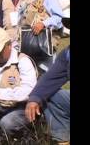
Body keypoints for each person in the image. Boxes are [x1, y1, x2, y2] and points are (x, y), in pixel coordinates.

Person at [25, 15, 70, 145]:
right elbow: (51, 78)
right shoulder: (67, 53)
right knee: (47, 93)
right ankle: (63, 139)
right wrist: (34, 98)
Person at [19, 0, 64, 72]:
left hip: (44, 45)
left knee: (47, 77)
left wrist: (43, 23)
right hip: (27, 46)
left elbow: (58, 17)